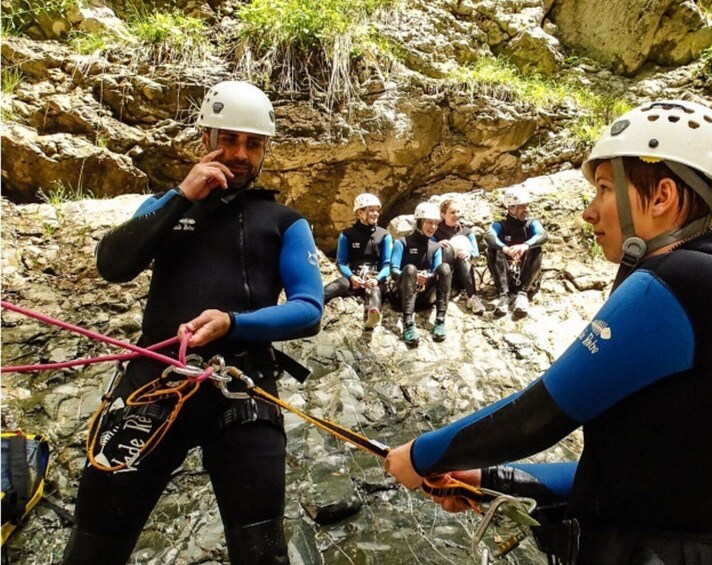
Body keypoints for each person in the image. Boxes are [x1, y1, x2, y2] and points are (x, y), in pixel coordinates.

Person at [385, 100, 712, 565]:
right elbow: (620, 479)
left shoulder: (683, 280)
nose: (589, 213)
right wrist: (491, 478)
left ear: (661, 197)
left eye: (605, 189)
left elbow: (537, 416)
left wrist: (422, 456)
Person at [62, 81, 324, 565]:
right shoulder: (165, 204)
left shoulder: (284, 221)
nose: (240, 153)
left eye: (253, 143)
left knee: (262, 551)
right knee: (95, 541)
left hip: (241, 387)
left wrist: (232, 322)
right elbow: (112, 265)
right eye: (229, 139)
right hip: (154, 383)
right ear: (205, 138)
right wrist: (184, 194)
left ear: (265, 149)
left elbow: (310, 309)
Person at [324, 193, 392, 329]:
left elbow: (387, 264)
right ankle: (315, 299)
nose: (375, 214)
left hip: (374, 279)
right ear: (360, 213)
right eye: (370, 210)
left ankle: (372, 315)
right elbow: (341, 262)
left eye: (376, 210)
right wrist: (351, 277)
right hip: (354, 278)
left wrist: (377, 279)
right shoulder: (347, 235)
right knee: (341, 283)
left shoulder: (384, 235)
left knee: (375, 290)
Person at [389, 202, 453, 345]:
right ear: (419, 222)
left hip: (424, 297)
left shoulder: (435, 247)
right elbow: (393, 270)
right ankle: (408, 323)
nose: (433, 227)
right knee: (410, 268)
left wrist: (427, 277)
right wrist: (414, 276)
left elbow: (437, 270)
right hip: (402, 295)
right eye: (429, 223)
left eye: (436, 224)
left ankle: (440, 320)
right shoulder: (402, 243)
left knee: (445, 267)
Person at [484, 187, 548, 317]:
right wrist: (504, 248)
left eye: (527, 205)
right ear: (511, 208)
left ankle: (523, 294)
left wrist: (525, 245)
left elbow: (543, 235)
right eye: (522, 206)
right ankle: (504, 295)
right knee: (492, 248)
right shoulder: (501, 225)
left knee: (536, 248)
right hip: (507, 275)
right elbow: (489, 236)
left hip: (525, 276)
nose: (527, 209)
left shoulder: (532, 224)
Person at [433, 198, 485, 315]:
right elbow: (426, 248)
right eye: (452, 212)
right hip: (443, 273)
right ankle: (443, 292)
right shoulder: (436, 231)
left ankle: (472, 297)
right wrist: (436, 245)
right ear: (443, 215)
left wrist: (469, 253)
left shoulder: (466, 231)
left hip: (462, 273)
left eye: (458, 212)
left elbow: (476, 253)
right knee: (446, 248)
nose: (456, 215)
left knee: (464, 256)